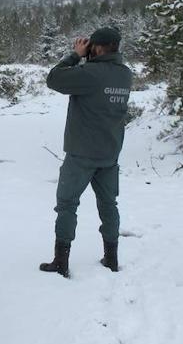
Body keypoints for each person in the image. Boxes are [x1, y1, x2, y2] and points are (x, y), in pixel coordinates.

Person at [40, 27, 133, 278]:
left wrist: (75, 55)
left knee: (67, 204)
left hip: (81, 153)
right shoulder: (125, 75)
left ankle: (61, 261)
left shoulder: (90, 73)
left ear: (98, 48)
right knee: (108, 204)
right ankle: (111, 258)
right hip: (110, 152)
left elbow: (54, 79)